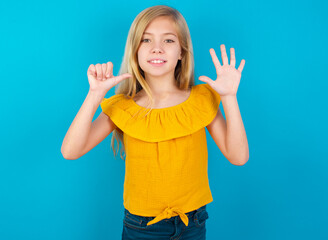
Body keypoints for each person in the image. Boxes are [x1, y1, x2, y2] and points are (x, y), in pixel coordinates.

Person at [61, 4, 249, 240]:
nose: (157, 49)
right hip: (140, 228)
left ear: (182, 51)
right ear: (135, 50)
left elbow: (238, 156)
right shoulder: (123, 107)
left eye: (168, 41)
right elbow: (70, 151)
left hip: (192, 224)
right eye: (146, 40)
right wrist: (94, 94)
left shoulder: (200, 100)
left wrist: (229, 97)